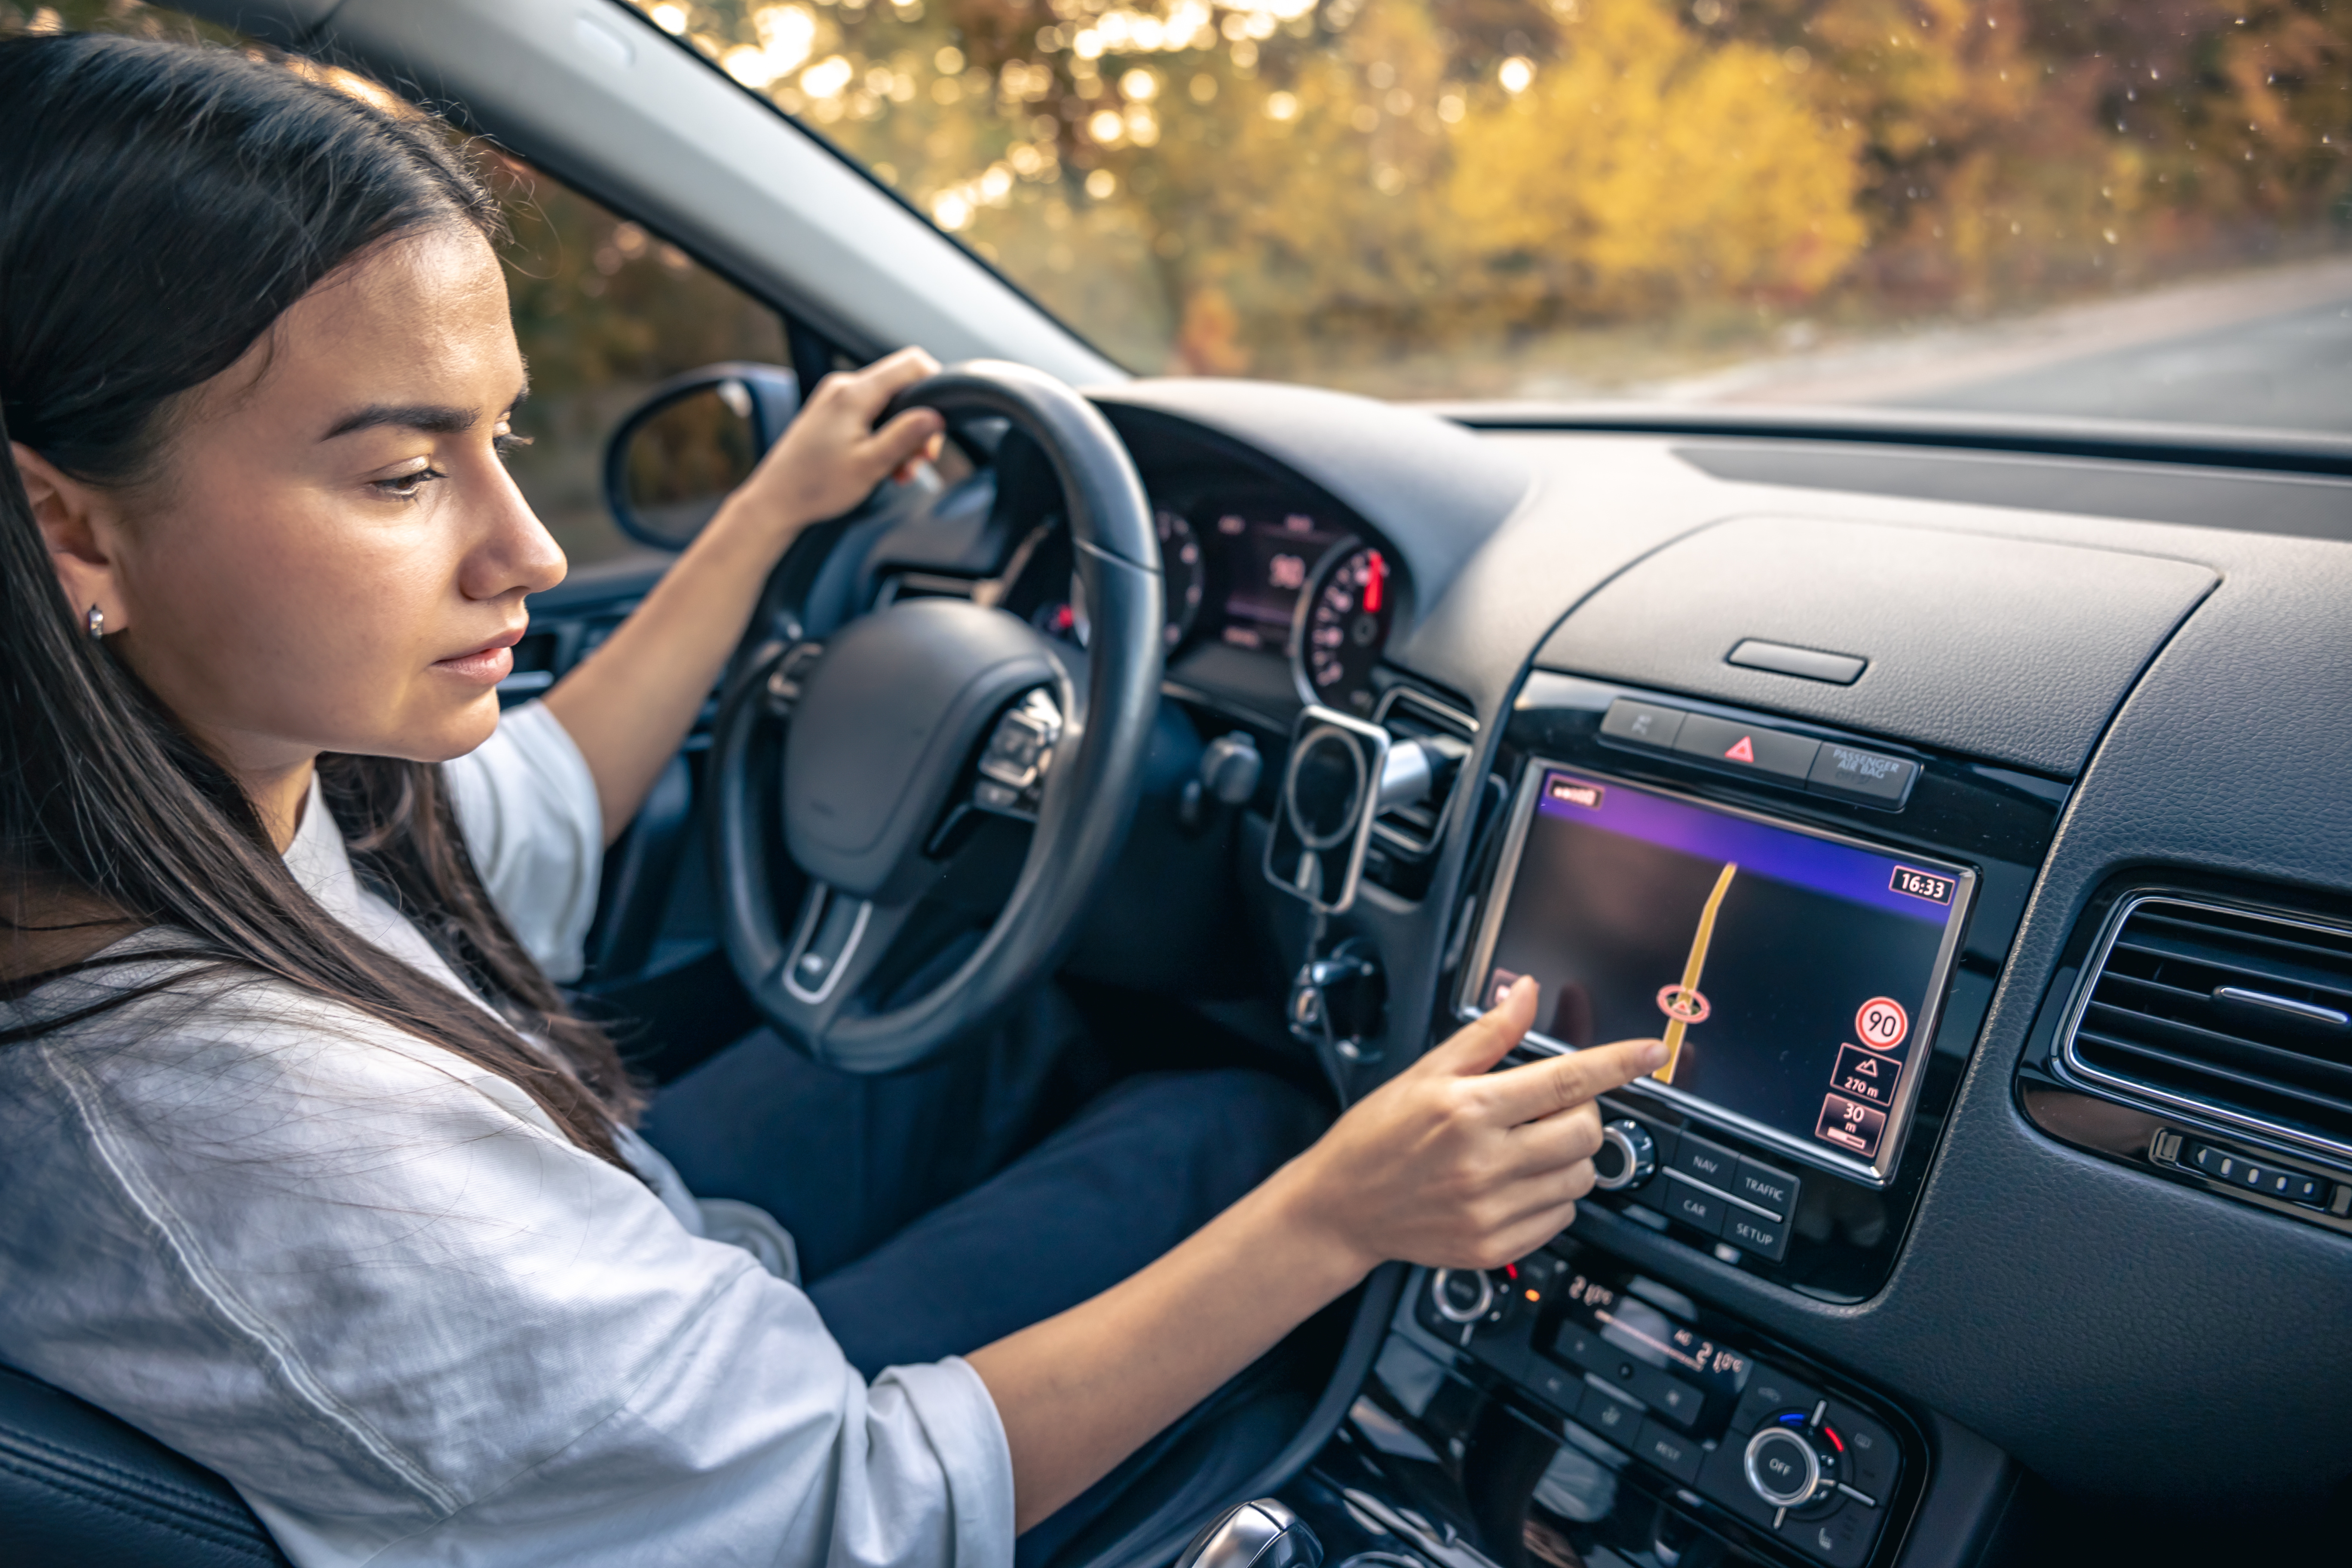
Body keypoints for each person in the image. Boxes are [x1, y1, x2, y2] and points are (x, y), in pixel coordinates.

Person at [0, 32, 1665, 1568]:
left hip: (625, 1304)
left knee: (1011, 1032)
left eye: (506, 436)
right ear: (73, 529)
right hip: (726, 1454)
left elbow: (543, 820)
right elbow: (854, 1508)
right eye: (403, 473)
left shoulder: (184, 807)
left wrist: (775, 513)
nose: (533, 552)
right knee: (1236, 1125)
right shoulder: (268, 1148)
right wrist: (1342, 1212)